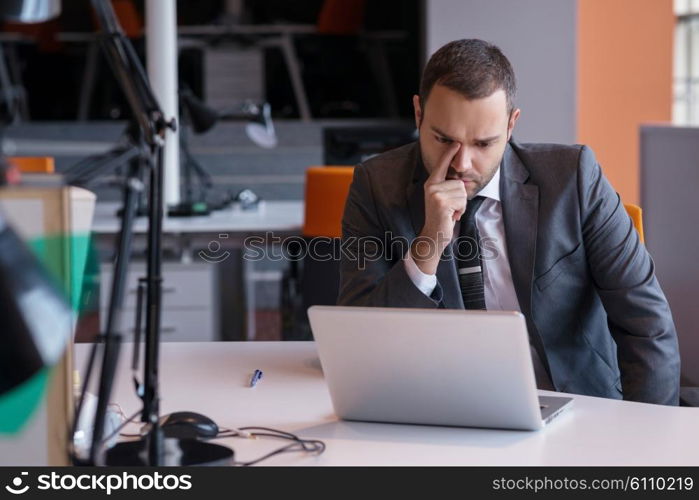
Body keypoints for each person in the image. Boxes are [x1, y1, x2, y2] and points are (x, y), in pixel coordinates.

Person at [337, 39, 680, 405]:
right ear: (418, 113)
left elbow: (647, 327)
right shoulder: (376, 185)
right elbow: (361, 347)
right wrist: (429, 244)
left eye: (483, 144)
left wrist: (648, 437)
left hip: (576, 409)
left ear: (512, 124)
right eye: (444, 139)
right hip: (441, 413)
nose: (462, 163)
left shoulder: (573, 180)